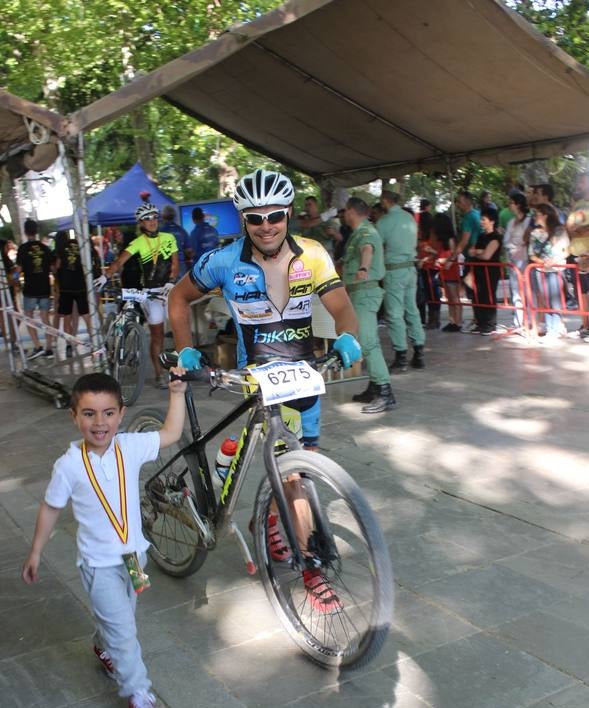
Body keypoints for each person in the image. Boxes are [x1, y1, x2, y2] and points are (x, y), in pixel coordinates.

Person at [169, 168, 360, 606]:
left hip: (305, 376)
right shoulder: (223, 260)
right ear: (243, 220)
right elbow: (177, 299)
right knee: (294, 476)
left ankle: (260, 507)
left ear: (289, 213)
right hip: (257, 377)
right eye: (255, 218)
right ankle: (312, 570)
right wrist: (184, 350)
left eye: (275, 215)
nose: (267, 225)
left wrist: (348, 335)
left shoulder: (312, 255)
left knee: (301, 469)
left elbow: (341, 304)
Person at [21, 370, 187, 708]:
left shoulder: (129, 445)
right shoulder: (68, 466)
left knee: (123, 616)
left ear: (121, 414)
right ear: (74, 416)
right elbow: (51, 507)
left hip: (135, 557)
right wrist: (36, 550)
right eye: (89, 413)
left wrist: (176, 393)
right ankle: (138, 694)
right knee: (125, 629)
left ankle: (103, 645)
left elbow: (171, 433)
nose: (100, 423)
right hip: (98, 565)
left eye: (108, 413)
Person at [100, 202, 179, 388]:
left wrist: (172, 280)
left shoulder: (169, 237)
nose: (152, 221)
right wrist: (106, 276)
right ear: (141, 223)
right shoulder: (138, 242)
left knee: (179, 330)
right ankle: (159, 375)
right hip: (150, 293)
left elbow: (175, 263)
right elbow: (120, 261)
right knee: (157, 335)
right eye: (147, 218)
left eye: (154, 217)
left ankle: (182, 370)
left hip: (169, 289)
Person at [342, 196, 395, 413]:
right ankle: (375, 386)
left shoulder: (366, 232)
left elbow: (367, 250)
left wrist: (364, 268)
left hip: (365, 292)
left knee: (369, 342)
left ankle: (384, 392)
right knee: (365, 342)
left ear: (352, 211)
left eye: (345, 211)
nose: (344, 214)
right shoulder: (357, 233)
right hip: (358, 293)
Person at [376, 189, 425, 371]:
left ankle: (401, 355)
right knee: (412, 309)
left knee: (395, 313)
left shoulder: (384, 221)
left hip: (394, 271)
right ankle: (419, 352)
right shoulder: (409, 218)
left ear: (385, 200)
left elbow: (376, 246)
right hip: (411, 269)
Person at [53, 231, 100, 358]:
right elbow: (88, 266)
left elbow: (57, 266)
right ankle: (95, 342)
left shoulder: (62, 247)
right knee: (86, 316)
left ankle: (69, 346)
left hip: (65, 287)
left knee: (66, 317)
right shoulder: (82, 246)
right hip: (80, 286)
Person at [566, 171, 589, 336]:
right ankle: (585, 325)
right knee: (581, 292)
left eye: (583, 182)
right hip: (575, 253)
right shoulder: (576, 204)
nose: (579, 185)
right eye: (579, 182)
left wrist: (578, 231)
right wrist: (578, 231)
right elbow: (569, 226)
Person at [529, 203, 570, 341]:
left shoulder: (559, 231)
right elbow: (531, 254)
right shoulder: (535, 233)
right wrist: (541, 262)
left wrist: (555, 260)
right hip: (540, 270)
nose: (535, 216)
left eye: (537, 213)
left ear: (545, 215)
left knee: (555, 300)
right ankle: (550, 328)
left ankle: (556, 329)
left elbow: (566, 250)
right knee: (545, 300)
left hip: (556, 269)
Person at [15, 218, 54, 360]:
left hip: (30, 290)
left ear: (25, 232)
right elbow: (53, 267)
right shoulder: (45, 248)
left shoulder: (22, 249)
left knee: (29, 318)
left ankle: (38, 346)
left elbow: (18, 270)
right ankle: (49, 348)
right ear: (36, 231)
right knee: (45, 319)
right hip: (44, 288)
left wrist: (13, 278)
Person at [447, 191, 481, 331]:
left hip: (472, 257)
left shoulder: (468, 217)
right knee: (475, 288)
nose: (457, 204)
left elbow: (464, 240)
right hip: (478, 255)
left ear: (467, 201)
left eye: (459, 201)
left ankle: (478, 318)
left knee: (471, 287)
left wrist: (452, 258)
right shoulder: (477, 214)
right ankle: (477, 318)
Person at [468, 206, 502, 335]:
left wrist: (478, 252)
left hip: (491, 271)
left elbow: (487, 255)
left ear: (492, 221)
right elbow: (472, 251)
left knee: (488, 296)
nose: (481, 222)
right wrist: (479, 252)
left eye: (484, 219)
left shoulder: (496, 237)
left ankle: (490, 324)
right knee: (477, 297)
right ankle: (480, 323)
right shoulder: (481, 236)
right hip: (478, 270)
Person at [428, 214, 462, 332]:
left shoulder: (450, 239)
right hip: (445, 271)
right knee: (449, 298)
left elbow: (451, 257)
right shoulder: (442, 241)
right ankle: (452, 321)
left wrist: (440, 260)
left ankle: (457, 322)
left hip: (451, 271)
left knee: (454, 298)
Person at [503, 191, 529, 331]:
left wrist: (517, 246)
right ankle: (519, 321)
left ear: (518, 204)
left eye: (511, 203)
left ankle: (530, 320)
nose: (509, 206)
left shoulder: (528, 220)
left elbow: (526, 240)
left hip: (525, 261)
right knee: (516, 292)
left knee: (527, 291)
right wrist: (513, 247)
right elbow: (506, 240)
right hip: (513, 261)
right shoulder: (511, 222)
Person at [160, 204, 193, 274]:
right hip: (180, 265)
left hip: (166, 266)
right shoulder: (181, 230)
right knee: (180, 285)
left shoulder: (160, 231)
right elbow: (189, 250)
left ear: (162, 216)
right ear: (174, 216)